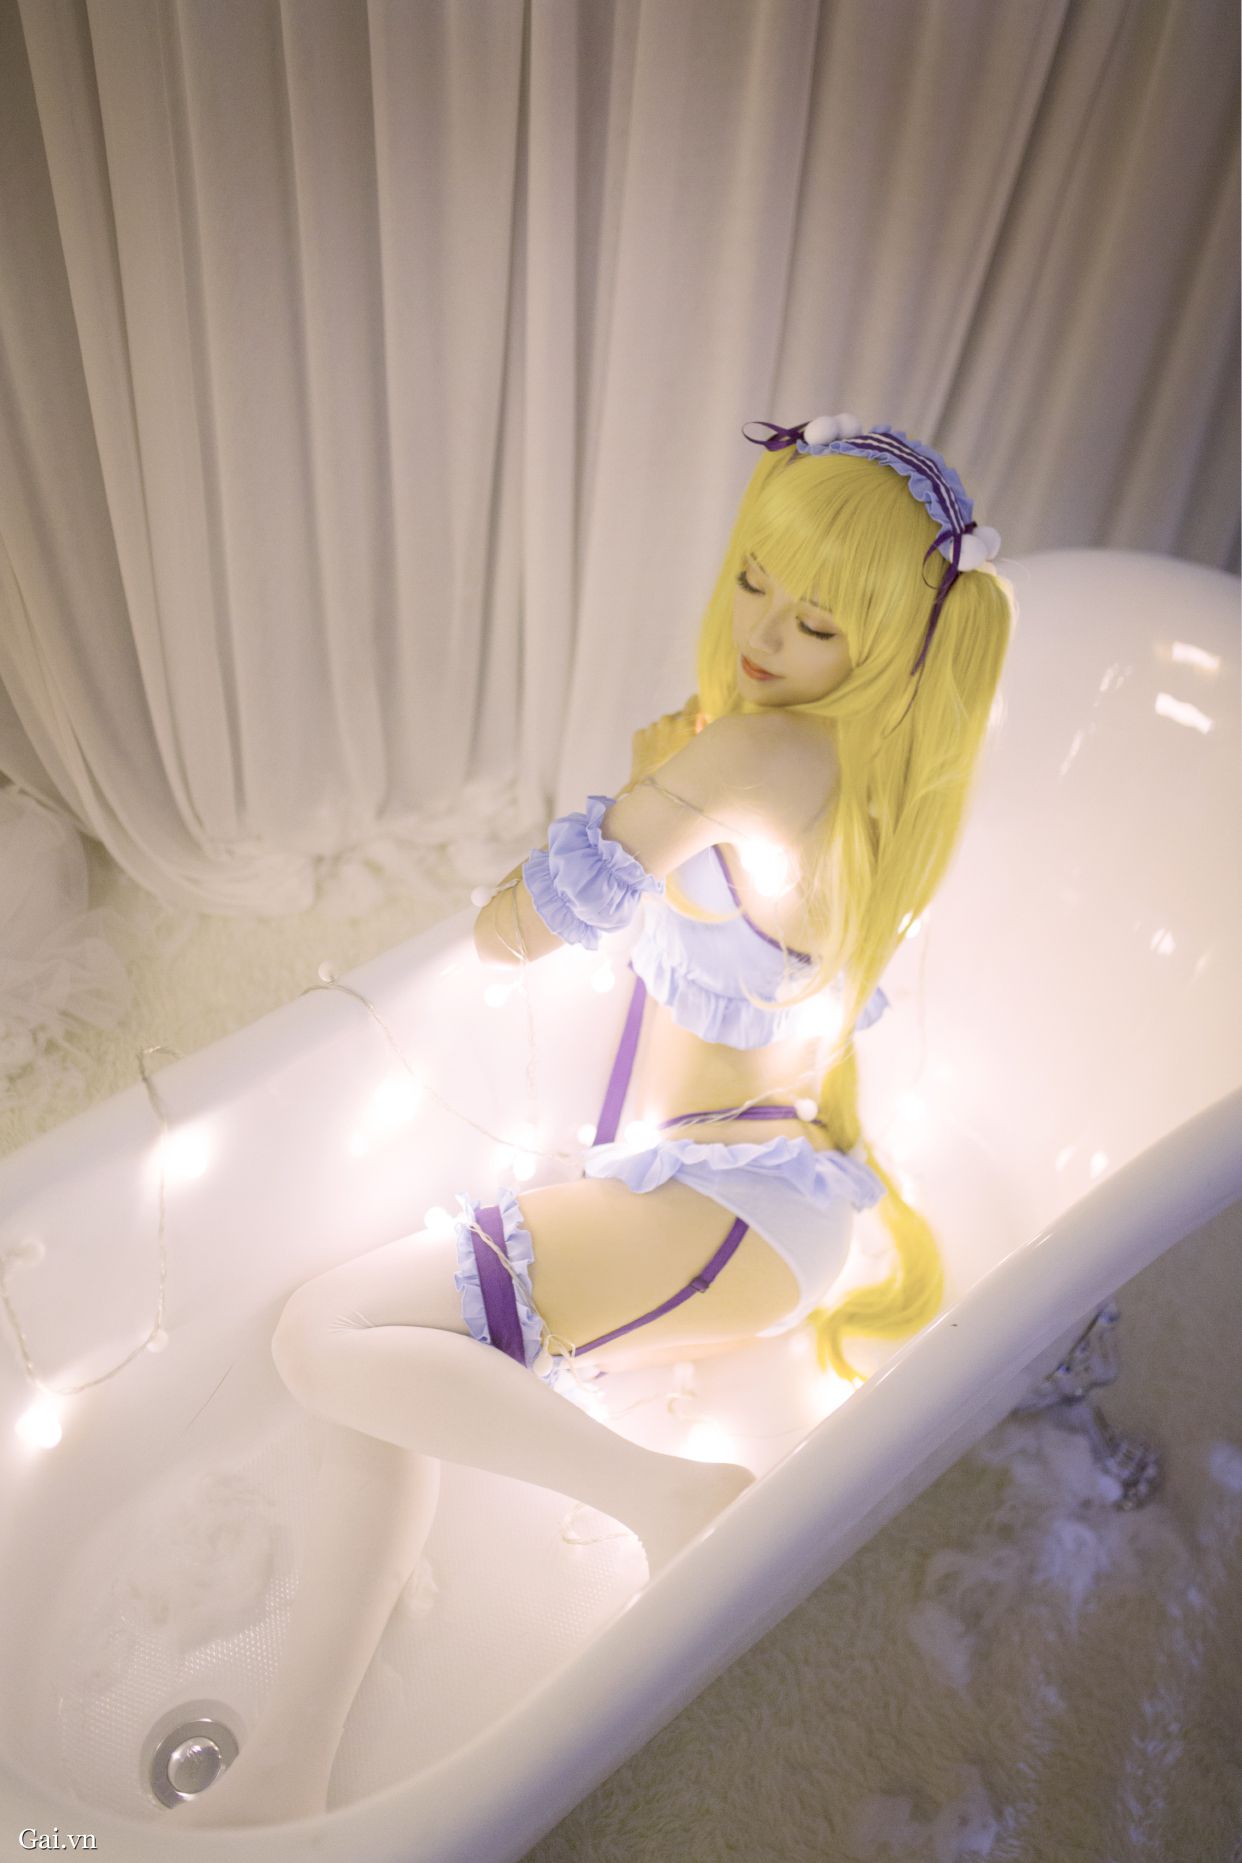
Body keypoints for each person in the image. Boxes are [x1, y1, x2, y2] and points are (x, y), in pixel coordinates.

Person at [173, 414, 1015, 1826]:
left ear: (884, 646)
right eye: (753, 580)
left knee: (323, 1335)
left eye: (816, 623)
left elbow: (515, 929)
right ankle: (289, 1771)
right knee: (377, 1370)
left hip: (718, 1220)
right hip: (750, 1190)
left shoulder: (758, 761)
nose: (762, 632)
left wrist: (653, 793)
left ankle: (672, 1503)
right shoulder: (869, 767)